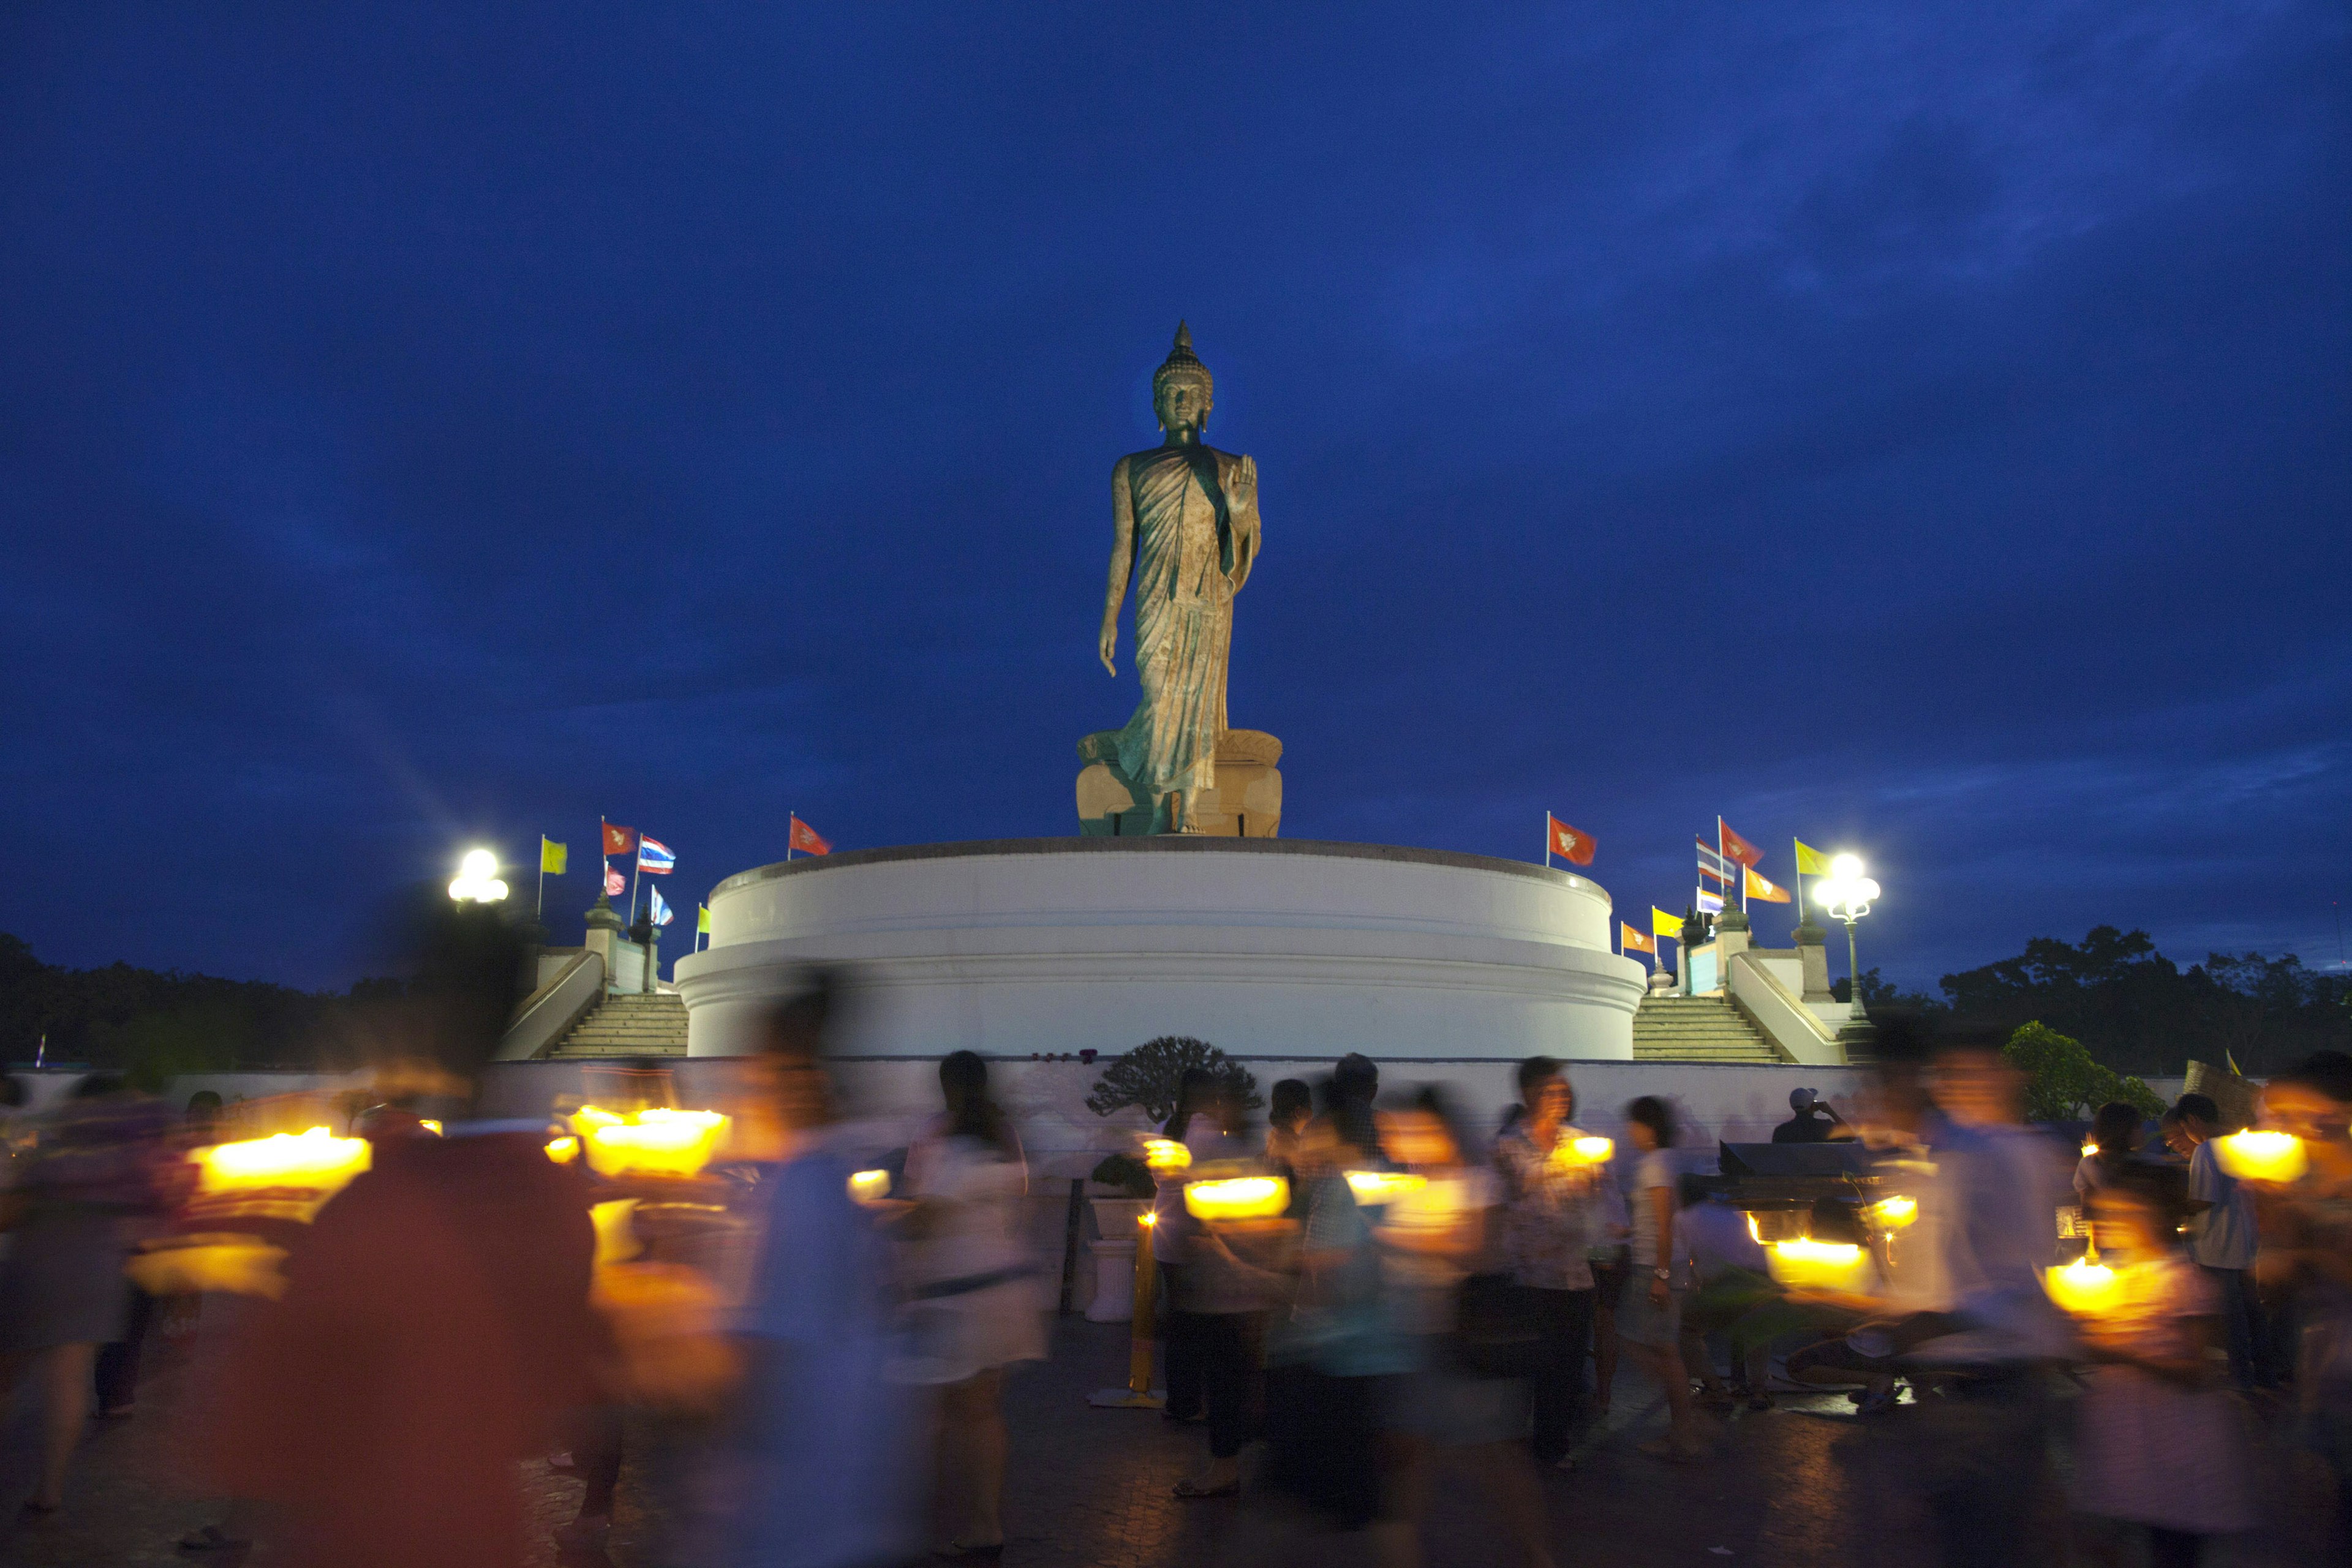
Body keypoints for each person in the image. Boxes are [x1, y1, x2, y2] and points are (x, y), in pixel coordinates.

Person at [206, 903, 604, 1568]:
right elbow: (552, 1393)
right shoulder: (550, 1201)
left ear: (423, 1011)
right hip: (476, 1527)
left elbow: (254, 1433)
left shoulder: (374, 1210)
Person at [723, 971, 922, 1568]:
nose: (749, 1085)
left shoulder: (805, 1190)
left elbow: (780, 1345)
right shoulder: (825, 1179)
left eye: (764, 1069)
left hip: (802, 1480)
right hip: (846, 1473)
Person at [1377, 1088, 1552, 1568]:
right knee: (1408, 1453)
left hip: (1463, 1341)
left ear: (1441, 1131)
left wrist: (1398, 1237)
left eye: (1412, 1130)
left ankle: (1535, 1553)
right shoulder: (1405, 1184)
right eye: (1396, 1131)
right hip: (1412, 1336)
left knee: (1494, 1457)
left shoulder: (1478, 1183)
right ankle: (1404, 1547)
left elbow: (1478, 1251)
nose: (1400, 1140)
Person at [0, 1074, 168, 1520]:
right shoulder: (130, 1160)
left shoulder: (55, 1150)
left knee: (7, 1372)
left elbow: (11, 1212)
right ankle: (50, 1487)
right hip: (98, 1276)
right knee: (69, 1380)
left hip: (38, 1269)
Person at [899, 1050, 1046, 1559]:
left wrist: (875, 1219)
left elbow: (927, 1216)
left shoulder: (944, 1138)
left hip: (956, 1295)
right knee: (982, 1414)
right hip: (1004, 1290)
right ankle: (985, 1521)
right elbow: (1022, 1200)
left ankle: (919, 1520)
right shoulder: (1004, 1136)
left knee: (935, 1413)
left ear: (944, 1086)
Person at [2070, 1167, 2256, 1566]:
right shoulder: (2115, 1278)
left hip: (2172, 1439)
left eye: (2122, 1214)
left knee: (2172, 1544)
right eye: (2105, 1214)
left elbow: (2196, 1369)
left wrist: (2121, 1353)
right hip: (2129, 1438)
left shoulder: (2180, 1281)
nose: (2107, 1224)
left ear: (2155, 1217)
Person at [1489, 1057, 1604, 1469]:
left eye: (1562, 1091)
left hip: (1573, 1272)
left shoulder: (1579, 1140)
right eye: (1549, 1091)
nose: (1559, 1098)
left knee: (1566, 1366)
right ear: (1527, 1094)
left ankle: (1553, 1445)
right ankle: (1514, 1442)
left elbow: (1591, 1200)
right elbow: (1500, 1200)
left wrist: (1592, 1179)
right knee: (1527, 1364)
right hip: (1527, 1273)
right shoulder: (1506, 1145)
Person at [1169, 1079, 1275, 1501]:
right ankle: (1227, 1461)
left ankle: (1226, 1467)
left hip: (1231, 1287)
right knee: (1231, 1379)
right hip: (1230, 1286)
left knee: (1227, 1381)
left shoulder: (1234, 1153)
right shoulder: (1249, 1153)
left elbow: (1206, 1203)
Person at [1617, 1096, 1709, 1461]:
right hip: (1661, 1265)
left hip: (1651, 1268)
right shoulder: (1667, 1163)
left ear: (1647, 1128)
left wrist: (1660, 1274)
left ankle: (1687, 1423)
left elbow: (1665, 1224)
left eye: (1634, 1125)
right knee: (1664, 1349)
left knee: (1636, 1342)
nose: (1630, 1132)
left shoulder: (1654, 1165)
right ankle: (1684, 1427)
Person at [2163, 1093, 2269, 1391]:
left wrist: (2169, 1210)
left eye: (2183, 1129)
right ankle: (2266, 1374)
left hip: (2216, 1247)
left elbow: (2203, 1200)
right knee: (2253, 1314)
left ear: (2192, 1121)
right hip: (2244, 1243)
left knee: (2232, 1319)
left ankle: (2242, 1379)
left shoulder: (2206, 1150)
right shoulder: (2240, 1147)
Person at [1155, 1066, 1219, 1425]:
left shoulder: (1164, 1129)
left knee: (1177, 1322)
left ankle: (1180, 1402)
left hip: (1166, 1230)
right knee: (1204, 1321)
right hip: (1200, 1231)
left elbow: (1159, 1178)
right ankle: (1205, 1400)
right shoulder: (1212, 1132)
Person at [2073, 1100, 2143, 1208]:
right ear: (2125, 1130)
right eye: (2138, 1126)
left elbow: (2087, 1208)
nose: (2143, 1131)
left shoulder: (2087, 1164)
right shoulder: (2147, 1163)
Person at [1266, 1077, 1311, 1170]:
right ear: (1298, 1112)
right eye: (1310, 1107)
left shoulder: (1275, 1137)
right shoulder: (1290, 1146)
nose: (1312, 1114)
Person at [1771, 1087, 1842, 1144]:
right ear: (1812, 1106)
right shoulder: (1825, 1127)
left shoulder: (1782, 1131)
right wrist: (1830, 1112)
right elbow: (1850, 1137)